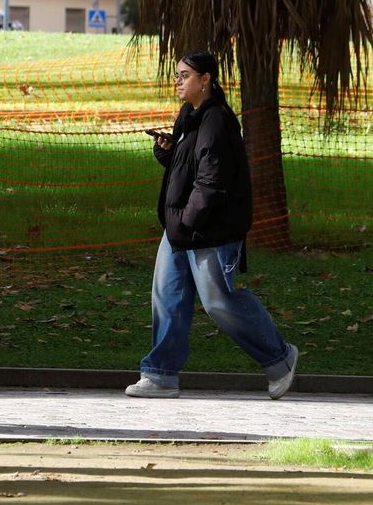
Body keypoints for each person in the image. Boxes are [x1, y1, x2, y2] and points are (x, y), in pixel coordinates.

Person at [126, 51, 299, 400]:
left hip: (209, 230)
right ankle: (160, 375)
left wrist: (187, 221)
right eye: (176, 75)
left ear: (205, 79)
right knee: (168, 297)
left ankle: (279, 358)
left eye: (185, 75)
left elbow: (212, 183)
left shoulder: (217, 121)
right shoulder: (189, 115)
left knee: (219, 301)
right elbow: (192, 166)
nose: (177, 81)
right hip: (181, 227)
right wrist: (169, 153)